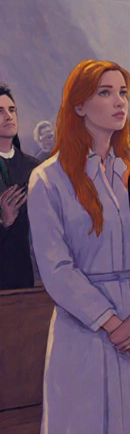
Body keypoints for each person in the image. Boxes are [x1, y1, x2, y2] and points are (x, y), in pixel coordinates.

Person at [26, 61, 130, 432]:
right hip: (86, 329)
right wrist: (112, 322)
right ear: (79, 105)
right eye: (105, 92)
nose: (119, 102)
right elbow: (56, 268)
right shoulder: (48, 179)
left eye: (123, 93)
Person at [1, 83, 39, 290]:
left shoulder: (34, 168)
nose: (8, 116)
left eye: (12, 110)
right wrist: (4, 222)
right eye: (0, 111)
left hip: (28, 277)